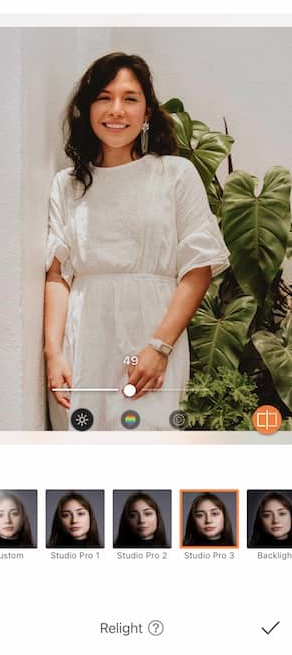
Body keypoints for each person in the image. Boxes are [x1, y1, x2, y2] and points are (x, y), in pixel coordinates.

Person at [45, 52, 229, 431]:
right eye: (104, 97)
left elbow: (199, 267)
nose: (116, 110)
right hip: (85, 342)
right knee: (84, 468)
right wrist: (53, 353)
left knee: (148, 460)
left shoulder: (175, 174)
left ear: (147, 113)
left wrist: (159, 347)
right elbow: (57, 275)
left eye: (130, 99)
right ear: (87, 108)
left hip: (152, 336)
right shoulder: (67, 185)